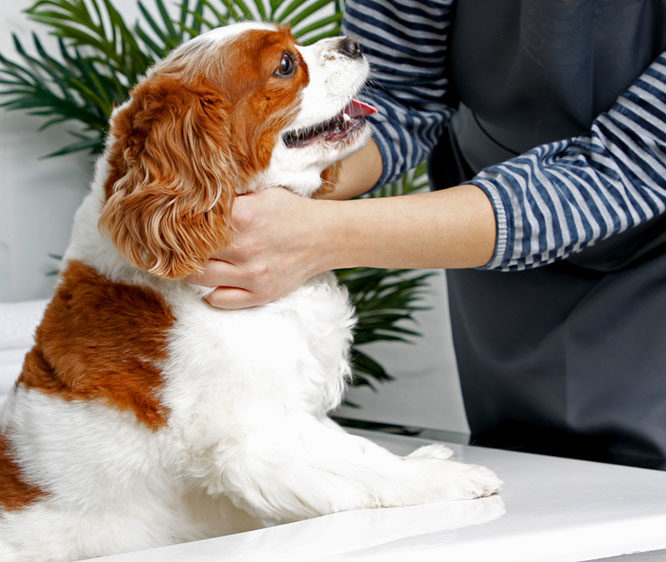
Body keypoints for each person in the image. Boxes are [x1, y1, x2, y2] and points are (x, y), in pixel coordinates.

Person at [188, 0, 666, 469]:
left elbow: (631, 166)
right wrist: (276, 182)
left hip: (649, 264)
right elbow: (392, 95)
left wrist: (318, 234)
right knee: (527, 482)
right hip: (496, 270)